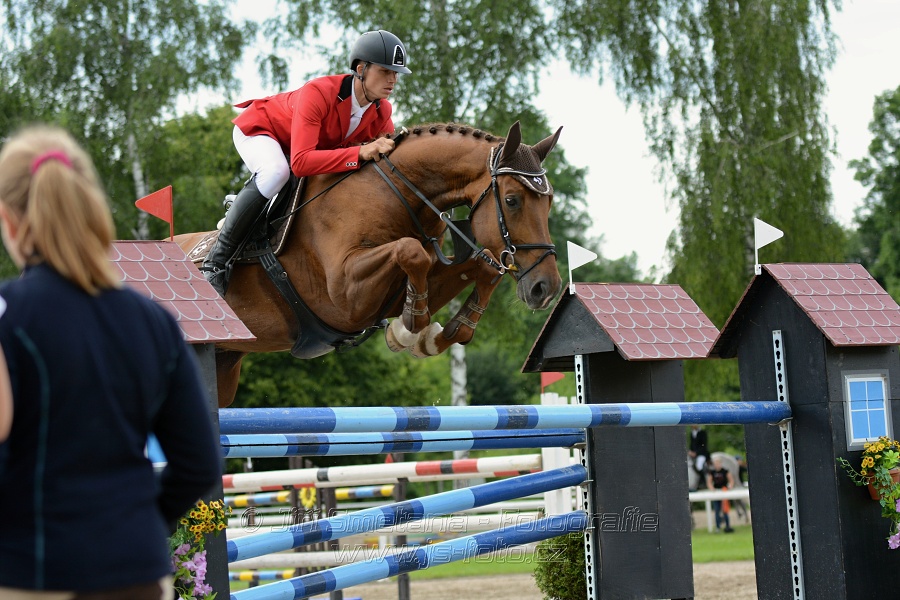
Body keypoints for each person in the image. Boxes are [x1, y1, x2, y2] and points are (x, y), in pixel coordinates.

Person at [0, 125, 221, 598]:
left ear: (10, 221)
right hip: (138, 573)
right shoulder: (155, 322)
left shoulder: (7, 314)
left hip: (33, 574)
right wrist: (135, 527)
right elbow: (199, 465)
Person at [201, 29, 412, 297]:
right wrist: (359, 153)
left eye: (396, 73)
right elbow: (300, 163)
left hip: (296, 147)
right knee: (276, 171)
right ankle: (215, 264)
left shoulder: (382, 111)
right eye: (385, 71)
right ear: (361, 69)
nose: (393, 79)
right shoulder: (319, 92)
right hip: (261, 131)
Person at [705, 456, 736, 533]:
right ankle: (718, 527)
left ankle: (728, 526)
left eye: (718, 463)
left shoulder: (725, 471)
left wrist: (730, 486)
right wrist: (712, 488)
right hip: (716, 492)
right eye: (715, 463)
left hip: (724, 491)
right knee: (717, 510)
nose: (717, 465)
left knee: (725, 509)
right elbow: (709, 482)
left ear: (720, 463)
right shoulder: (712, 472)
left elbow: (731, 480)